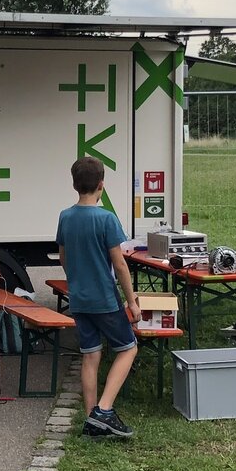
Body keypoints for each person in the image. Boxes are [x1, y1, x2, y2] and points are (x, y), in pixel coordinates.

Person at [57, 156, 142, 437]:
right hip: (104, 299)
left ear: (73, 184)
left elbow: (63, 257)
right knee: (128, 348)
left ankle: (90, 418)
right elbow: (119, 264)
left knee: (90, 356)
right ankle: (104, 410)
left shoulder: (65, 217)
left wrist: (76, 279)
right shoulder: (106, 218)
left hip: (79, 299)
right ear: (101, 185)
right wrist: (131, 302)